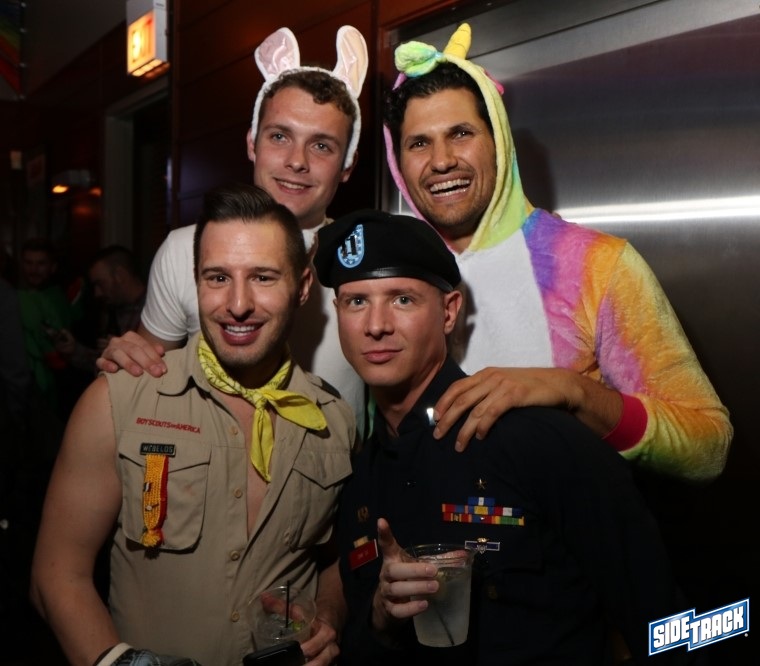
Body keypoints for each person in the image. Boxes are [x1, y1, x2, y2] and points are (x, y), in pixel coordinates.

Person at [313, 209, 706, 665]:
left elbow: (670, 629)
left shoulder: (534, 440)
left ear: (449, 312)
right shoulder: (360, 477)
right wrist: (382, 619)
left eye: (403, 299)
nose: (376, 324)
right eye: (356, 302)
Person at [381, 23, 731, 481]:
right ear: (398, 162)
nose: (442, 160)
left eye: (461, 133)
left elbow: (708, 446)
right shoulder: (389, 279)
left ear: (498, 142)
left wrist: (573, 392)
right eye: (419, 143)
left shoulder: (594, 265)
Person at [30, 184, 356, 666]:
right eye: (217, 277)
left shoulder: (334, 421)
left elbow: (336, 560)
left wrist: (328, 614)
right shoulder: (119, 401)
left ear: (303, 286)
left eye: (263, 277)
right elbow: (57, 576)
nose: (238, 304)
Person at [97, 25, 370, 433]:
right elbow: (145, 379)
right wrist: (126, 361)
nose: (297, 161)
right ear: (251, 144)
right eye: (279, 136)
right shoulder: (183, 250)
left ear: (347, 165)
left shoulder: (369, 261)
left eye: (321, 145)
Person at [55, 245, 148, 376]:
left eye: (100, 283)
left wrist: (128, 351)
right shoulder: (110, 311)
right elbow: (102, 364)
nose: (97, 293)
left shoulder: (156, 310)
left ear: (120, 275)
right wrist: (74, 350)